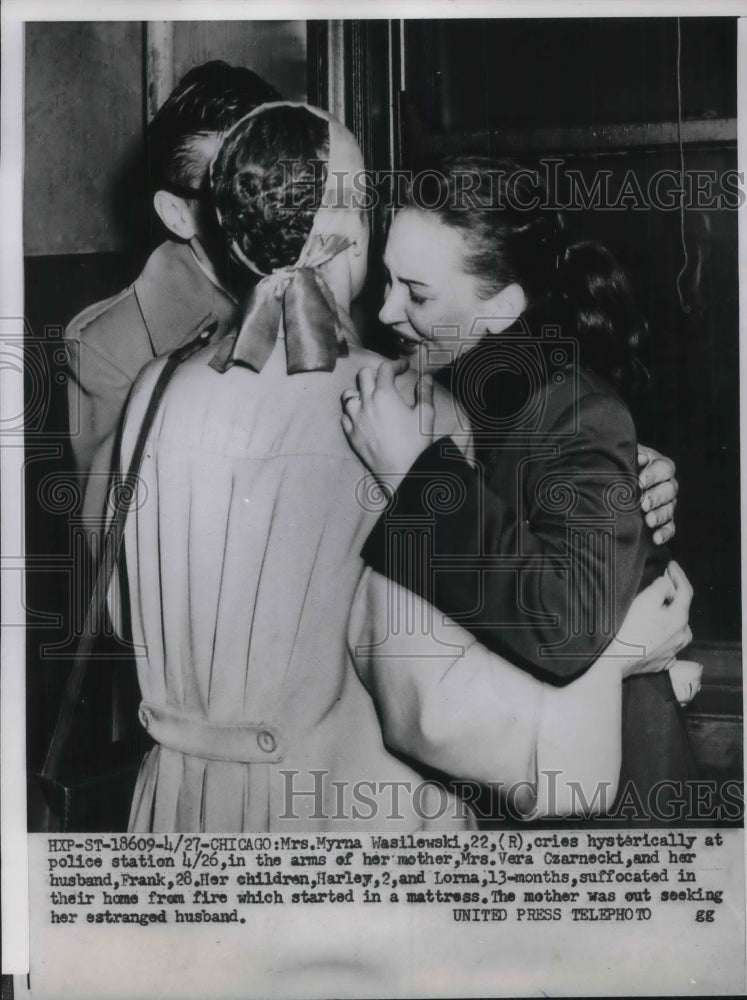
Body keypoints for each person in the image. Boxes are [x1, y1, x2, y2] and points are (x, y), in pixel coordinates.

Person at [111, 106, 692, 832]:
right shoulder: (399, 408)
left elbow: (119, 611)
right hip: (347, 814)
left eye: (415, 293)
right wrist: (619, 658)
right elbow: (435, 704)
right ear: (345, 235)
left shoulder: (153, 387)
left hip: (176, 808)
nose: (387, 311)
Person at [342, 157, 698, 821]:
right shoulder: (457, 387)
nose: (386, 308)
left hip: (604, 803)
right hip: (517, 773)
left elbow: (566, 628)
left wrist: (413, 476)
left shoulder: (572, 410)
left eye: (416, 294)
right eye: (385, 279)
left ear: (502, 307)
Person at [64, 61, 281, 529]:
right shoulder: (106, 349)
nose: (268, 210)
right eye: (235, 190)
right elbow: (115, 549)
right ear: (178, 214)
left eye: (281, 180)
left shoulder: (341, 305)